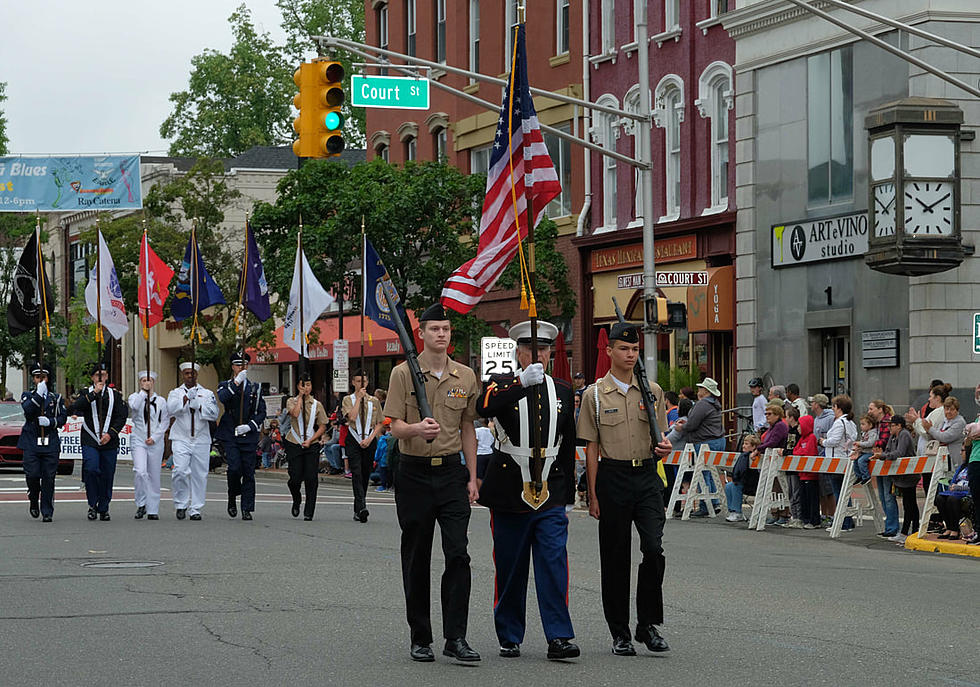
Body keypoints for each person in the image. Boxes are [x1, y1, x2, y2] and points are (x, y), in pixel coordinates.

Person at [383, 303, 481, 663]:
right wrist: (415, 429)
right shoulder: (402, 374)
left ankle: (456, 637)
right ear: (421, 333)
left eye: (446, 328)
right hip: (414, 473)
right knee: (417, 556)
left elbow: (468, 428)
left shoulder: (465, 376)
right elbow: (392, 426)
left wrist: (472, 476)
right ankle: (420, 636)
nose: (442, 334)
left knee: (458, 554)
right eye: (435, 329)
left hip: (452, 474)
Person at [477, 320, 579, 661]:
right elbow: (484, 406)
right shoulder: (502, 384)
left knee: (554, 564)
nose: (539, 356)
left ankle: (559, 636)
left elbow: (567, 442)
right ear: (519, 353)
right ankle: (509, 634)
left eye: (545, 350)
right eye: (532, 350)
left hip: (550, 490)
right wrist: (519, 382)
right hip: (509, 490)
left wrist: (570, 490)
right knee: (510, 566)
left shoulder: (563, 390)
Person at [577, 322, 672, 657]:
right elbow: (590, 447)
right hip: (612, 476)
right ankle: (619, 631)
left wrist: (664, 447)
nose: (630, 355)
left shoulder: (653, 391)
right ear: (609, 351)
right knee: (615, 558)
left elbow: (661, 437)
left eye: (634, 350)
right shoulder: (594, 395)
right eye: (623, 349)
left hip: (646, 476)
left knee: (654, 549)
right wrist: (593, 493)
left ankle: (647, 624)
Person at [72, 361, 127, 521]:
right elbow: (77, 406)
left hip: (109, 440)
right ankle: (92, 504)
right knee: (91, 469)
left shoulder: (115, 395)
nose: (101, 378)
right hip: (90, 438)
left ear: (107, 376)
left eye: (103, 375)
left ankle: (103, 507)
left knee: (107, 474)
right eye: (98, 375)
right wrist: (94, 393)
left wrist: (110, 434)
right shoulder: (86, 392)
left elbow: (121, 417)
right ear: (92, 378)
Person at [217, 351, 267, 521]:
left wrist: (250, 426)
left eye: (244, 365)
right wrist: (236, 383)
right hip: (230, 433)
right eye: (238, 365)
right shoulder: (225, 385)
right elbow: (223, 399)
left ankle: (247, 508)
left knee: (248, 472)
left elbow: (261, 412)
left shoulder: (255, 388)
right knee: (234, 468)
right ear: (233, 367)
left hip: (248, 434)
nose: (241, 368)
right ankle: (232, 496)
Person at [166, 362, 219, 521]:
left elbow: (214, 414)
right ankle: (181, 503)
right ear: (183, 375)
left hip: (201, 438)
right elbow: (171, 410)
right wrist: (185, 399)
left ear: (197, 374)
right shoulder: (175, 392)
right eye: (187, 373)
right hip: (181, 437)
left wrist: (200, 407)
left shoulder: (207, 393)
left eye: (193, 373)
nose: (190, 376)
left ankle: (195, 508)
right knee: (180, 471)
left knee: (199, 475)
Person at [19, 361, 67, 523]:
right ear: (33, 379)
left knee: (49, 477)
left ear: (48, 378)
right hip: (31, 441)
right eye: (37, 377)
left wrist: (50, 422)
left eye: (43, 377)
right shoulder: (28, 395)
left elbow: (62, 418)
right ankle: (33, 497)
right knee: (32, 475)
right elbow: (28, 410)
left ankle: (47, 511)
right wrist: (39, 394)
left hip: (50, 442)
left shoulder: (56, 397)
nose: (41, 380)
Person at [285, 370, 328, 521]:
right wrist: (300, 399)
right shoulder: (291, 400)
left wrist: (312, 439)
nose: (306, 388)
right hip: (294, 442)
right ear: (298, 386)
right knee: (295, 477)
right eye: (303, 385)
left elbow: (323, 425)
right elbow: (295, 414)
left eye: (308, 385)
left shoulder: (317, 404)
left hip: (312, 443)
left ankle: (309, 511)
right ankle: (296, 499)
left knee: (311, 478)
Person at [342, 369, 383, 523]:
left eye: (364, 381)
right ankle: (362, 507)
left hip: (369, 440)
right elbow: (351, 417)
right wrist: (359, 399)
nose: (361, 384)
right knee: (357, 473)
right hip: (353, 439)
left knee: (365, 474)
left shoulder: (374, 401)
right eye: (358, 381)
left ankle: (358, 507)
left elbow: (380, 422)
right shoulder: (348, 399)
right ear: (353, 382)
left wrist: (371, 438)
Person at [128, 370, 170, 521]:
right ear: (140, 383)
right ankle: (141, 503)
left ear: (154, 382)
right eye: (144, 380)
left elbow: (165, 421)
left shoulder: (161, 401)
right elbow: (134, 407)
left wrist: (155, 437)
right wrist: (143, 393)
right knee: (140, 471)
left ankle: (153, 508)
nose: (147, 383)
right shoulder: (134, 397)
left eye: (150, 380)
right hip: (138, 438)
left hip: (155, 441)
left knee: (153, 475)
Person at [874, 415, 915, 543]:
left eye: (892, 425)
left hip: (909, 474)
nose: (889, 427)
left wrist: (883, 456)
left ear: (899, 426)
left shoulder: (904, 435)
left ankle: (909, 531)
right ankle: (910, 531)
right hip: (900, 475)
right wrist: (883, 455)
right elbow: (888, 450)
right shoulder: (893, 437)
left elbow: (899, 453)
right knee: (908, 503)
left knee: (910, 504)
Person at [819, 395, 858, 531]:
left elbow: (834, 440)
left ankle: (843, 522)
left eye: (834, 406)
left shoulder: (839, 422)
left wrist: (823, 442)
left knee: (839, 492)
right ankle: (847, 520)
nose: (832, 409)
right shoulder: (851, 422)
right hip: (845, 458)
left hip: (836, 460)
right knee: (845, 492)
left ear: (838, 408)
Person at [865, 400, 896, 536]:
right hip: (880, 459)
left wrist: (871, 445)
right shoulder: (876, 425)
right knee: (883, 496)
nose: (869, 411)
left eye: (871, 409)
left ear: (880, 410)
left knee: (888, 496)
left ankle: (892, 527)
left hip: (886, 460)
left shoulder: (886, 423)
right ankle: (889, 526)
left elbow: (884, 441)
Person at [935, 445, 972, 539]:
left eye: (963, 450)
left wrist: (958, 488)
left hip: (966, 493)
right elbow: (953, 481)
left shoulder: (973, 468)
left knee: (952, 499)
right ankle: (949, 527)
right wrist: (952, 486)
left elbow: (973, 487)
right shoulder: (961, 467)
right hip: (955, 491)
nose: (960, 453)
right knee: (940, 498)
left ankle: (955, 529)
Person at [724, 434, 760, 522]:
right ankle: (732, 510)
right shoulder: (743, 456)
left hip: (754, 483)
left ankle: (737, 512)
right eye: (744, 443)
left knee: (736, 485)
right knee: (729, 485)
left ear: (753, 446)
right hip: (746, 482)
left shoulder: (755, 456)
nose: (744, 446)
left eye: (747, 444)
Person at [851, 415, 879, 485]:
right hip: (864, 452)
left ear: (870, 425)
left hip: (870, 452)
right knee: (856, 461)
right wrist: (858, 448)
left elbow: (870, 443)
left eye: (863, 424)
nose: (861, 426)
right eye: (861, 424)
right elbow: (863, 442)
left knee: (861, 461)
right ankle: (859, 476)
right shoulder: (864, 433)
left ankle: (866, 476)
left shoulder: (873, 433)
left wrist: (859, 444)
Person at [474, 418, 495, 483]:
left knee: (479, 476)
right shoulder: (491, 431)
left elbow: (475, 443)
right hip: (490, 453)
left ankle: (480, 491)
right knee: (488, 475)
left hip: (479, 455)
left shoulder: (477, 430)